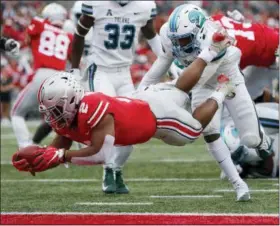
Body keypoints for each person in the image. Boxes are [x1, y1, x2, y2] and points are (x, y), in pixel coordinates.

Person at [12, 32, 240, 200]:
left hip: (159, 117)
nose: (53, 117)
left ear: (70, 101)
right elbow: (60, 145)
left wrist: (60, 156)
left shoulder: (93, 108)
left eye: (56, 110)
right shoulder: (71, 113)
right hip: (144, 99)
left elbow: (101, 155)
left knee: (193, 131)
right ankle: (211, 50)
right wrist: (43, 158)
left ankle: (221, 91)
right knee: (180, 89)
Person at [139, 3, 273, 202]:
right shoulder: (169, 33)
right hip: (200, 77)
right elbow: (162, 63)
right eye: (176, 39)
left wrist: (170, 87)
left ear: (199, 33)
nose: (178, 45)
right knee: (207, 130)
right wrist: (141, 91)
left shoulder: (216, 37)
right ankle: (238, 184)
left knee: (251, 140)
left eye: (184, 39)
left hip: (227, 76)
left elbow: (195, 80)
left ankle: (266, 143)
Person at [70, 0, 182, 194]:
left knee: (132, 125)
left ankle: (116, 168)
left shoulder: (144, 6)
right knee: (109, 121)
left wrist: (169, 65)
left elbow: (152, 37)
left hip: (123, 73)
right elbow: (79, 35)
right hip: (100, 69)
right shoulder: (97, 4)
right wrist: (73, 69)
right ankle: (106, 169)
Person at [10, 3, 73, 148]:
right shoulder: (68, 35)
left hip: (43, 74)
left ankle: (26, 146)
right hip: (61, 78)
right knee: (57, 118)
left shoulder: (39, 24)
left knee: (16, 113)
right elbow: (72, 59)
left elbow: (28, 37)